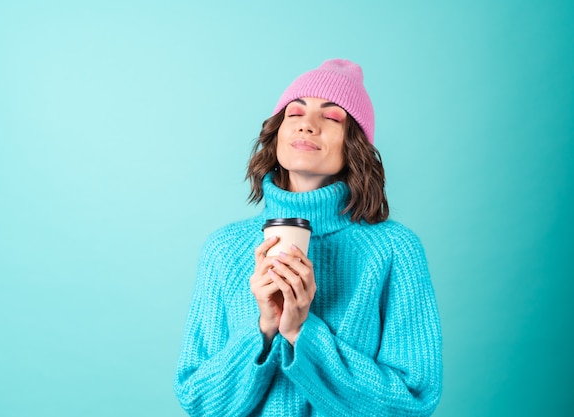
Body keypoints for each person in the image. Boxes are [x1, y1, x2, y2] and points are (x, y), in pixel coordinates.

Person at [174, 59, 442, 416]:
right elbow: (199, 402)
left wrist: (303, 332)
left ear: (355, 144)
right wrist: (265, 329)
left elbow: (412, 403)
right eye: (294, 113)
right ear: (277, 133)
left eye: (332, 118)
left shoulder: (394, 250)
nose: (307, 126)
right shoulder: (224, 249)